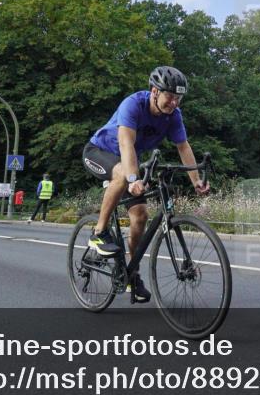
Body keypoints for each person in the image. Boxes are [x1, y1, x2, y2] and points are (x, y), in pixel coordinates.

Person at [82, 66, 210, 303]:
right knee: (121, 173)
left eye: (178, 98)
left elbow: (183, 147)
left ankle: (132, 273)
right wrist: (132, 179)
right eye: (169, 97)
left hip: (128, 160)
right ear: (154, 91)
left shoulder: (173, 116)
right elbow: (126, 144)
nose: (174, 103)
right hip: (99, 152)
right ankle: (99, 232)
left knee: (140, 216)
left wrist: (196, 181)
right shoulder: (133, 105)